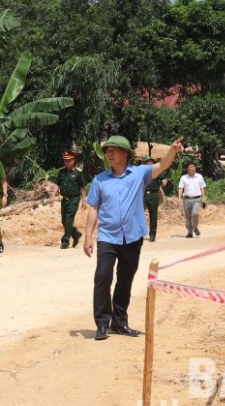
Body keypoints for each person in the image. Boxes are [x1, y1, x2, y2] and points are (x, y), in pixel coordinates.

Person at [83, 135, 183, 340]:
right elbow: (93, 208)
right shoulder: (100, 180)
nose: (108, 153)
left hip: (132, 237)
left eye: (113, 150)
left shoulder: (139, 174)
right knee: (103, 276)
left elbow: (162, 165)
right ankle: (102, 323)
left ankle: (120, 323)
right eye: (107, 150)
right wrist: (87, 236)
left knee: (125, 279)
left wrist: (172, 150)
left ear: (125, 153)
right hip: (107, 237)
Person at [51, 151, 86, 249]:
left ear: (73, 161)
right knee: (64, 221)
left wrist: (84, 200)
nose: (66, 162)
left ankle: (65, 241)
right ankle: (76, 234)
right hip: (64, 200)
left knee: (69, 219)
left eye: (68, 160)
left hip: (74, 199)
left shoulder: (78, 173)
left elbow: (82, 188)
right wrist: (53, 195)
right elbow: (57, 185)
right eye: (65, 160)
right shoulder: (61, 172)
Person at [142, 156, 171, 242]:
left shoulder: (157, 171)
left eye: (151, 161)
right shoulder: (140, 172)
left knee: (153, 216)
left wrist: (164, 182)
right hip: (142, 195)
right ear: (144, 164)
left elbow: (164, 179)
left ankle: (152, 235)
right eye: (147, 162)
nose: (150, 163)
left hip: (153, 195)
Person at [177, 162, 207, 238]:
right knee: (187, 216)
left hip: (196, 199)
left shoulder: (199, 177)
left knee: (195, 213)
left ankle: (195, 227)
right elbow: (181, 188)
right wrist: (179, 198)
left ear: (195, 168)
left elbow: (202, 187)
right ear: (187, 169)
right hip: (186, 199)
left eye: (193, 167)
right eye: (190, 167)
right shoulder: (183, 178)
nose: (192, 169)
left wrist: (203, 197)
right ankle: (190, 232)